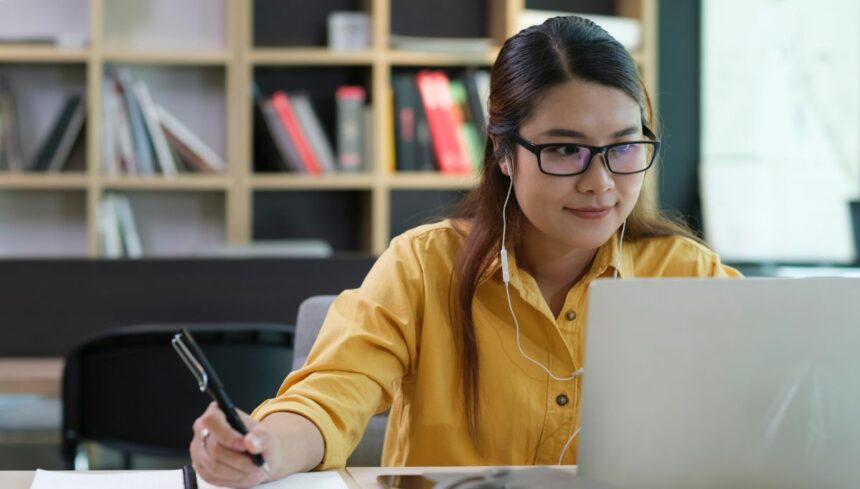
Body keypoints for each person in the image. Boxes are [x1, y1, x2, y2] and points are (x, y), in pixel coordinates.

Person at [188, 15, 741, 488]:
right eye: (566, 149)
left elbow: (776, 407)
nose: (600, 183)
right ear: (503, 153)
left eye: (623, 147)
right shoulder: (422, 267)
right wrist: (261, 447)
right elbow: (328, 400)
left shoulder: (686, 274)